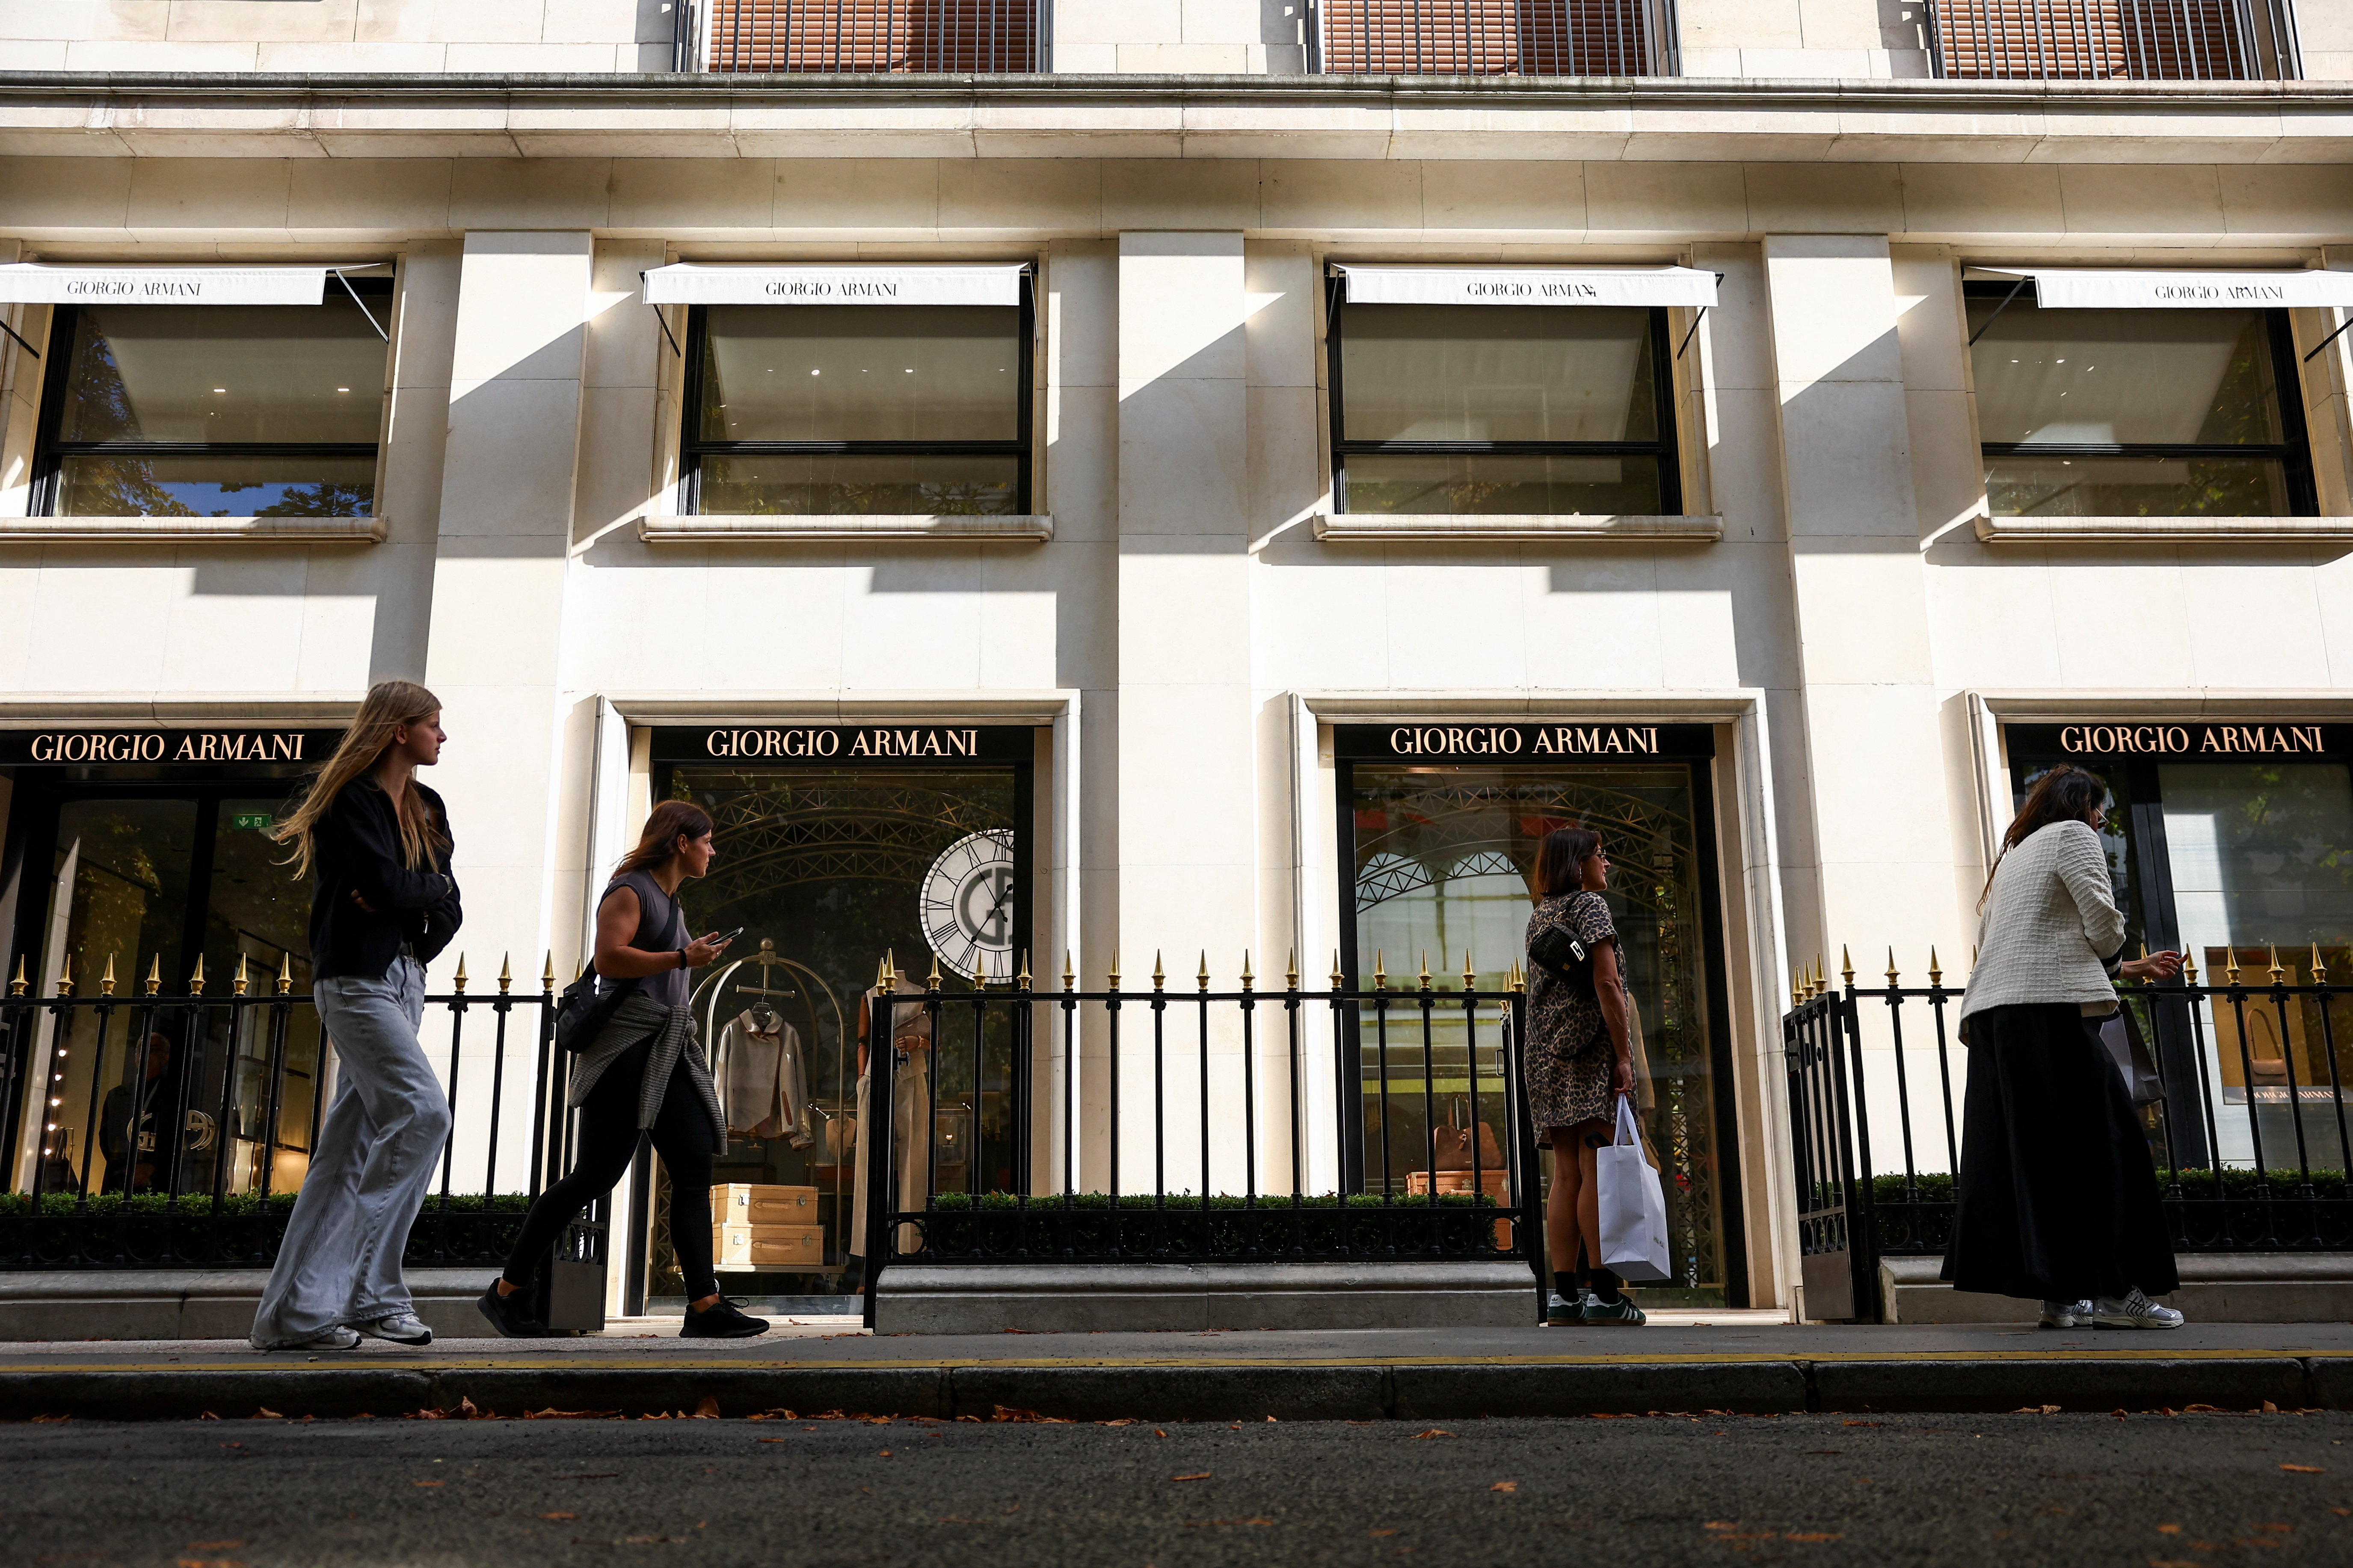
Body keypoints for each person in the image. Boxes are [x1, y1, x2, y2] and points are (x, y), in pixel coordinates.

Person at [480, 801, 764, 1339]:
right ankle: (507, 1292)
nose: (713, 850)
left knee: (693, 1167)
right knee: (595, 1176)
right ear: (681, 842)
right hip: (627, 1049)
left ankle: (705, 1306)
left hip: (668, 1049)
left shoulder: (671, 902)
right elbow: (610, 957)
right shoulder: (630, 891)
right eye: (707, 840)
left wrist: (687, 955)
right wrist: (682, 959)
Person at [249, 680, 462, 1352]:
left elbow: (448, 904)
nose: (442, 735)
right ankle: (372, 1294)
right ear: (399, 729)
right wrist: (415, 892)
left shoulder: (428, 806)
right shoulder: (351, 799)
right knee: (424, 1112)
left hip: (407, 976)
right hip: (355, 979)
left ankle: (291, 1316)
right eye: (433, 724)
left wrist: (414, 907)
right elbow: (389, 883)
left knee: (346, 1152)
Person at [1945, 763, 2186, 1330]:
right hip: (2047, 1015)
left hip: (1993, 1017)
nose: (2101, 819)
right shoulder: (2073, 836)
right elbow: (2100, 922)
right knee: (2109, 1147)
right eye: (2097, 807)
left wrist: (2125, 968)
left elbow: (2026, 941)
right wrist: (2116, 948)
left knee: (2035, 1159)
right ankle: (2116, 1293)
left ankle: (2061, 1295)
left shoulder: (2013, 857)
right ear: (2079, 804)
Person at [1522, 825, 1643, 1327]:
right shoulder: (1590, 906)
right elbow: (1607, 983)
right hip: (1589, 1051)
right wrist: (1624, 1055)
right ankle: (1605, 1293)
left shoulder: (1540, 914)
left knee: (1565, 1175)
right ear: (1578, 864)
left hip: (1545, 1055)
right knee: (1595, 1169)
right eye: (1599, 854)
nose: (1606, 862)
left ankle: (1564, 1296)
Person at [844, 970, 933, 1293]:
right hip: (874, 1079)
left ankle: (910, 1254)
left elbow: (936, 1040)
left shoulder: (922, 993)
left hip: (912, 1077)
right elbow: (863, 1041)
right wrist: (862, 1078)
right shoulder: (870, 995)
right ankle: (871, 1260)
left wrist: (917, 1042)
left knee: (914, 1162)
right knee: (870, 1169)